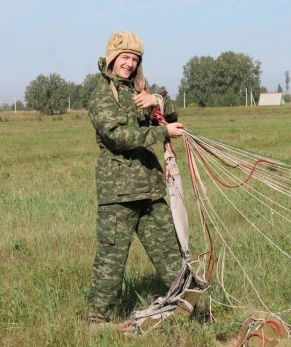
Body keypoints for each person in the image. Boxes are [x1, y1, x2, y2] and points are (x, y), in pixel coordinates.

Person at [87, 31, 185, 325]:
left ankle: (185, 311)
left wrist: (157, 101)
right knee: (111, 262)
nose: (129, 64)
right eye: (124, 57)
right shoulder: (101, 96)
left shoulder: (140, 90)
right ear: (112, 59)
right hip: (118, 192)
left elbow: (171, 113)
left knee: (172, 258)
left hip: (150, 188)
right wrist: (161, 133)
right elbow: (117, 137)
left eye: (134, 59)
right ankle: (97, 323)